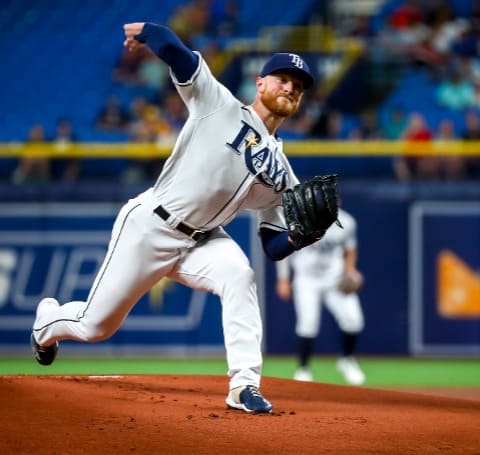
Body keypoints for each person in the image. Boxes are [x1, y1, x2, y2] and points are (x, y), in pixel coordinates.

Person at [30, 21, 321, 415]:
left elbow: (272, 245)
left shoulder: (283, 173)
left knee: (240, 274)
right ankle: (46, 323)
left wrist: (300, 237)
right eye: (283, 79)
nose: (290, 88)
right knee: (96, 327)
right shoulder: (219, 105)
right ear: (260, 83)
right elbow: (178, 54)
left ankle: (244, 385)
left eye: (298, 86)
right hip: (151, 226)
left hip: (203, 240)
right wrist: (148, 30)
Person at [275, 208, 366, 386]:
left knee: (354, 320)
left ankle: (347, 360)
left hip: (335, 279)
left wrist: (350, 271)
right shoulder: (300, 219)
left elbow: (351, 248)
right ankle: (303, 369)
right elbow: (286, 250)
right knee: (307, 324)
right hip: (306, 279)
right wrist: (283, 279)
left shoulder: (346, 222)